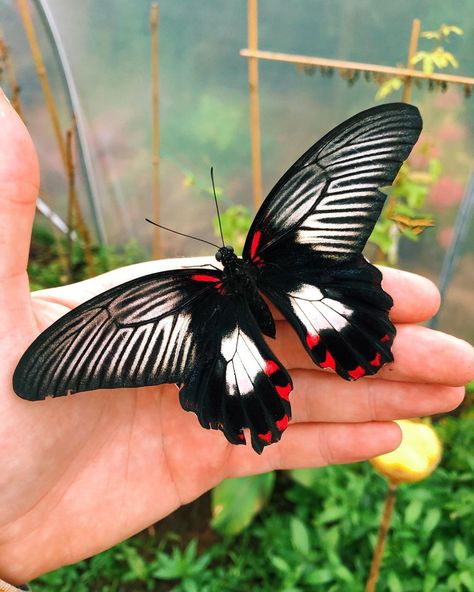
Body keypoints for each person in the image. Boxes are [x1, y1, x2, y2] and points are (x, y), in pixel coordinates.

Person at [0, 88, 472, 589]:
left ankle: (318, 364)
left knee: (253, 351)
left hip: (234, 345)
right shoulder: (261, 247)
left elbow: (126, 323)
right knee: (327, 315)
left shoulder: (190, 292)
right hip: (310, 295)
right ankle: (338, 351)